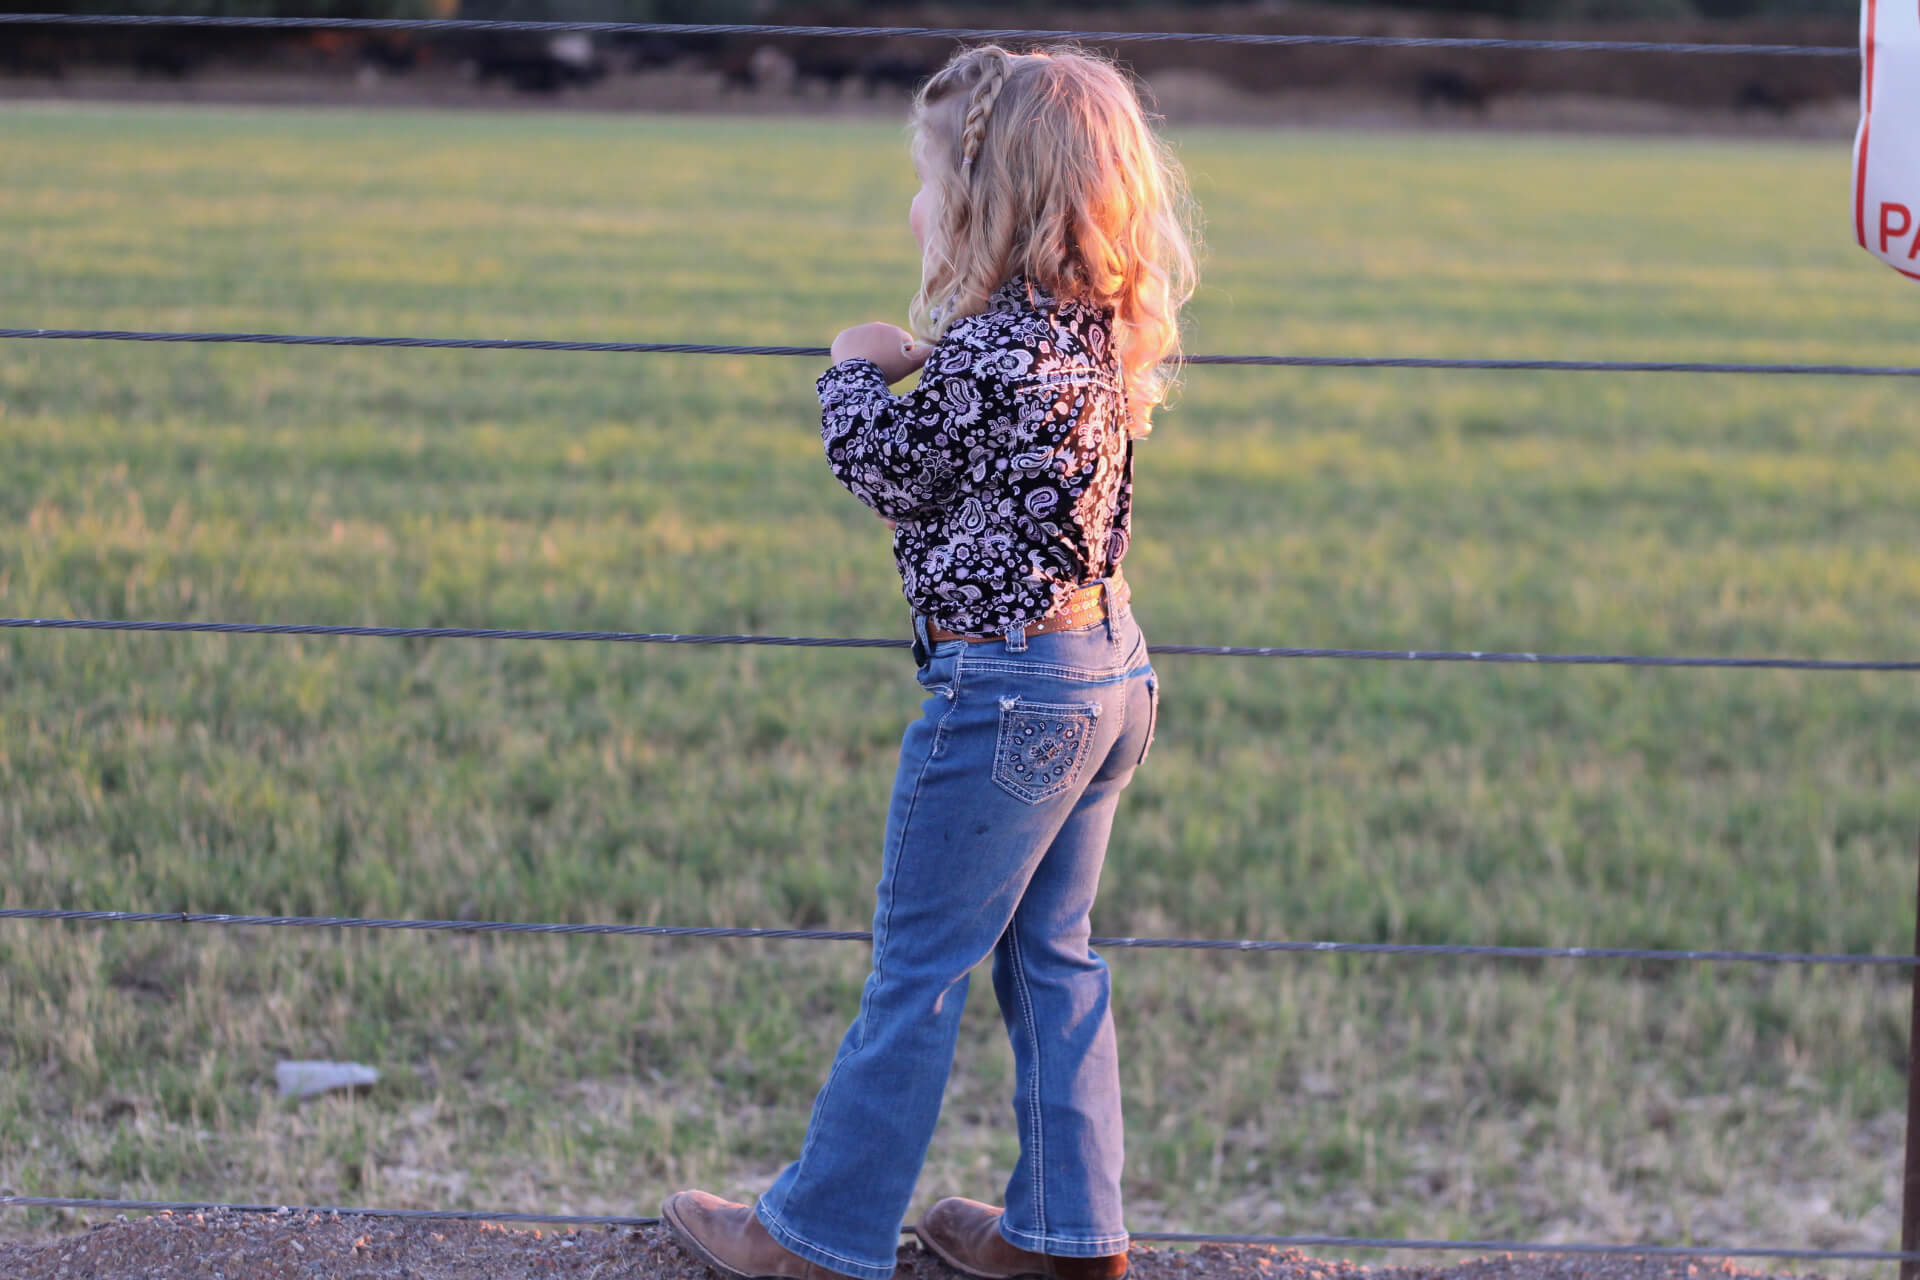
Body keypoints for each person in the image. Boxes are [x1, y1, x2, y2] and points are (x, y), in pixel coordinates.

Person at [663, 42, 1198, 1280]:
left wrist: (852, 367)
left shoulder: (990, 350)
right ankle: (1071, 1234)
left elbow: (891, 473)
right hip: (1107, 673)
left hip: (1008, 695)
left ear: (985, 202)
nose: (915, 208)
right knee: (1053, 954)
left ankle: (815, 1232)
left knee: (917, 967)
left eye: (928, 187)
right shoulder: (1092, 335)